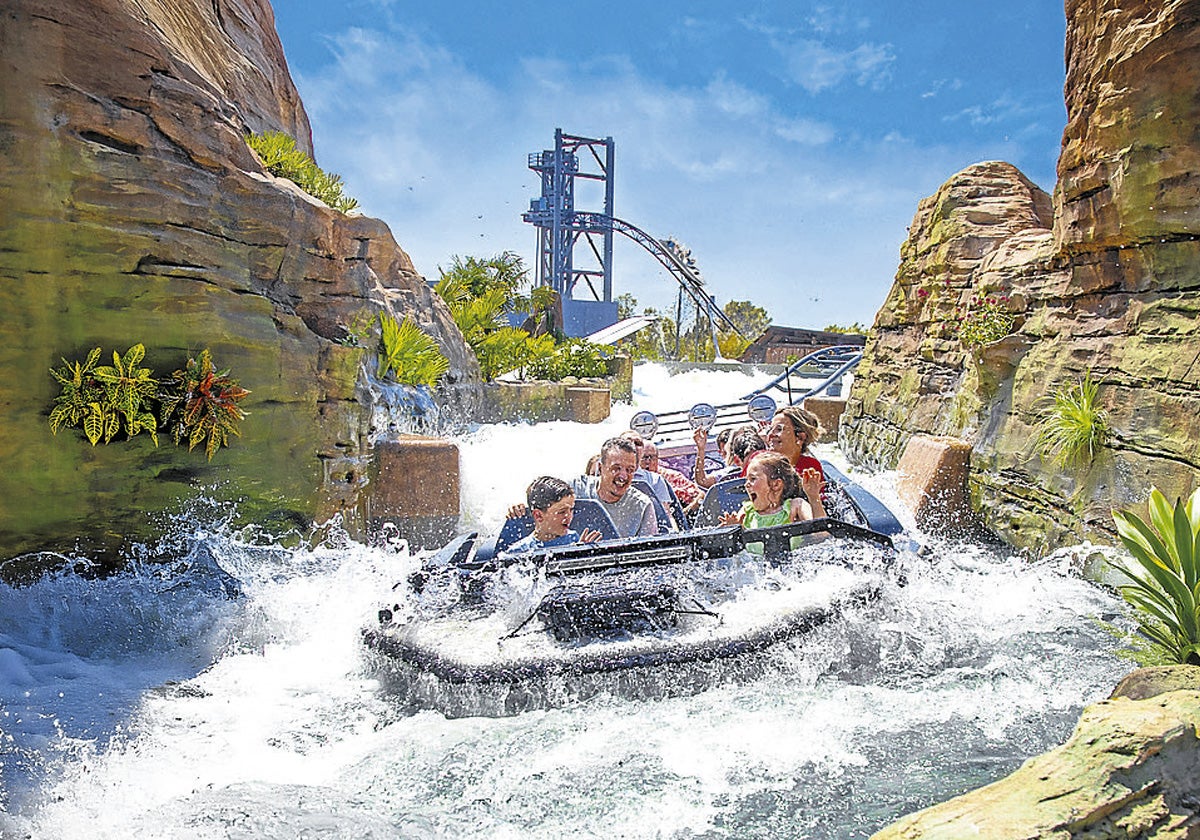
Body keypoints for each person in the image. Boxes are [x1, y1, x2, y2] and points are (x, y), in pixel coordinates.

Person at [720, 452, 826, 552]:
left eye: (753, 479)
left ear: (776, 485)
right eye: (747, 480)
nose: (746, 484)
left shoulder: (796, 506)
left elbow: (821, 535)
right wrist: (733, 531)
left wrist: (813, 497)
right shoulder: (746, 511)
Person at [572, 437, 658, 538]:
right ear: (600, 468)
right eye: (616, 468)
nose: (623, 476)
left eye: (630, 470)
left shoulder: (642, 505)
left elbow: (647, 550)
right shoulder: (576, 490)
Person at [505, 476, 603, 554]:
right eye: (562, 512)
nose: (569, 516)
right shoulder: (519, 552)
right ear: (538, 515)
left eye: (571, 509)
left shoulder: (573, 538)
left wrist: (581, 554)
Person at [639, 439, 703, 512]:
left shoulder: (670, 477)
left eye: (652, 457)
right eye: (644, 457)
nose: (648, 461)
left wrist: (684, 514)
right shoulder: (631, 478)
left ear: (657, 459)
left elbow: (701, 495)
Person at [765, 406, 826, 481]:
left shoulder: (810, 468)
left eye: (779, 429)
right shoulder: (759, 464)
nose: (770, 434)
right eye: (770, 429)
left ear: (800, 438)